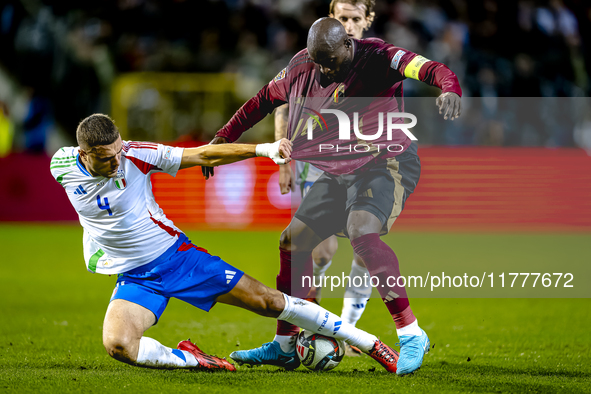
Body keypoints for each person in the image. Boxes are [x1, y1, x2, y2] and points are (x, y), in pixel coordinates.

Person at [49, 113, 403, 373]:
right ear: (83, 154)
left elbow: (203, 155)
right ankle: (196, 360)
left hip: (177, 259)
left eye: (117, 151)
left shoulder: (135, 154)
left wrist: (263, 149)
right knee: (119, 345)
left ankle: (369, 343)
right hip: (135, 276)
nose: (116, 161)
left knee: (268, 301)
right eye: (106, 157)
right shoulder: (60, 165)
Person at [209, 18, 462, 376]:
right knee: (292, 240)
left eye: (330, 60)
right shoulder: (302, 65)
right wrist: (224, 136)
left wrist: (449, 89)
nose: (324, 69)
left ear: (347, 43)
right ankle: (285, 346)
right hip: (339, 170)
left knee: (361, 230)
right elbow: (264, 99)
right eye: (318, 61)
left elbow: (430, 68)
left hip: (386, 163)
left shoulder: (378, 57)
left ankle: (410, 333)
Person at [275, 1, 377, 357]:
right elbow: (284, 103)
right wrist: (283, 159)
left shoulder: (378, 60)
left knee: (366, 245)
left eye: (354, 19)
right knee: (321, 250)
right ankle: (311, 318)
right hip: (316, 162)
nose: (347, 25)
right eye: (341, 18)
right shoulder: (313, 57)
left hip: (364, 166)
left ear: (368, 20)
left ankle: (348, 330)